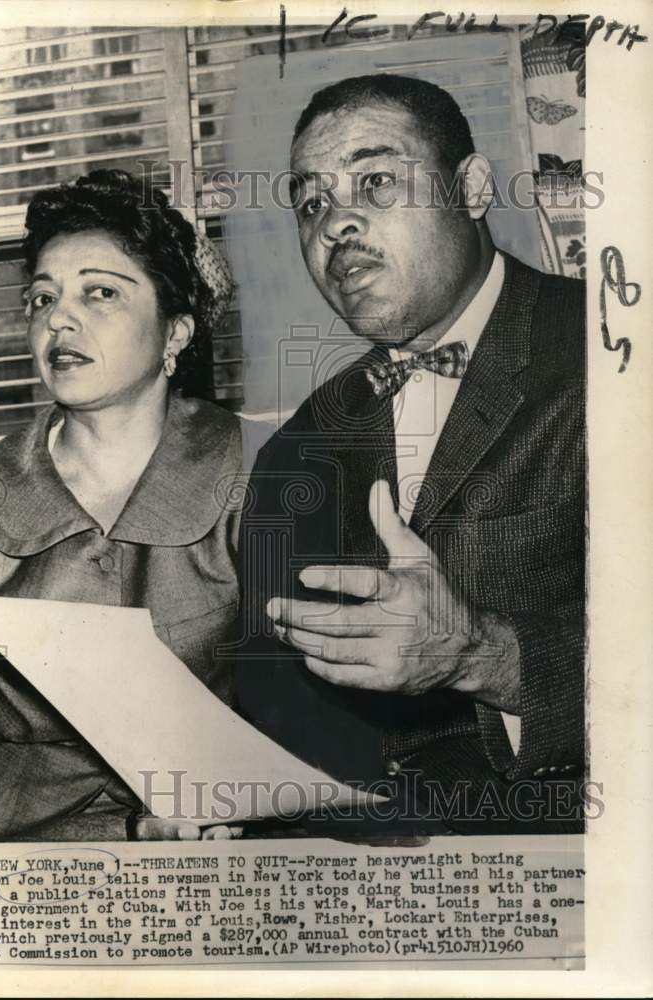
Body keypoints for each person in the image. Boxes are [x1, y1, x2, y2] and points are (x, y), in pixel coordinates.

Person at [235, 74, 585, 833]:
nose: (336, 225)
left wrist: (480, 657)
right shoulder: (295, 451)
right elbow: (271, 704)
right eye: (311, 203)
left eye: (377, 180)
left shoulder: (613, 356)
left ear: (473, 188)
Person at [0, 170, 243, 842]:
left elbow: (313, 724)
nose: (58, 318)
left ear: (176, 333)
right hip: (24, 852)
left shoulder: (258, 470)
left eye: (100, 293)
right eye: (42, 298)